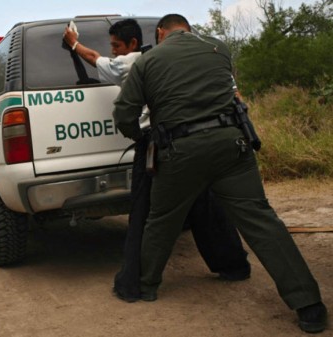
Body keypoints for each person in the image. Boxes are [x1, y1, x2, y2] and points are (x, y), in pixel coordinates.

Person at [113, 14, 328, 333]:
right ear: (188, 29)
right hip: (232, 146)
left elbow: (124, 113)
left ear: (161, 33)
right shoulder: (218, 48)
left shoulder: (148, 61)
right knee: (262, 221)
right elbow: (231, 93)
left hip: (180, 152)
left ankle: (146, 286)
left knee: (161, 220)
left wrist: (138, 136)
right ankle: (309, 305)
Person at [64, 19, 251, 302]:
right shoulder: (187, 58)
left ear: (133, 45)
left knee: (145, 213)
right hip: (191, 140)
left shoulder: (131, 63)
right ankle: (234, 266)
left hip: (154, 144)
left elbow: (93, 59)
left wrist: (73, 43)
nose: (113, 52)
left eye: (116, 46)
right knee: (207, 205)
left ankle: (135, 284)